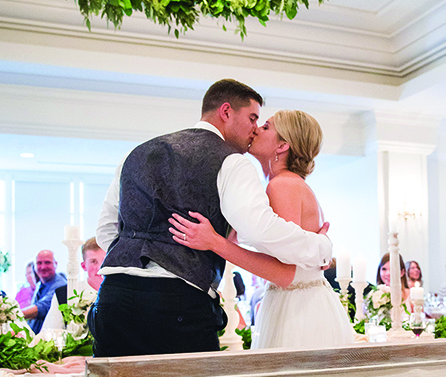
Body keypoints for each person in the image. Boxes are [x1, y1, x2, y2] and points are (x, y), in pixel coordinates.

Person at [91, 81, 332, 357]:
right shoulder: (231, 161)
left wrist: (134, 259)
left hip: (114, 297)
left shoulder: (134, 154)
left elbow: (106, 231)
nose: (255, 129)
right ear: (226, 111)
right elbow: (260, 231)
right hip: (177, 304)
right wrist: (321, 247)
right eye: (253, 119)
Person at [169, 109, 355, 351]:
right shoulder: (288, 184)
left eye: (266, 127)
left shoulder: (283, 186)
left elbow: (283, 274)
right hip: (303, 303)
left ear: (282, 147)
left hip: (298, 312)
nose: (256, 129)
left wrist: (215, 242)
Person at [20, 250, 67, 333]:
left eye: (47, 262)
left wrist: (14, 314)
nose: (43, 267)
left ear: (55, 264)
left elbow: (43, 307)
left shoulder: (60, 285)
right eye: (39, 263)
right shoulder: (40, 284)